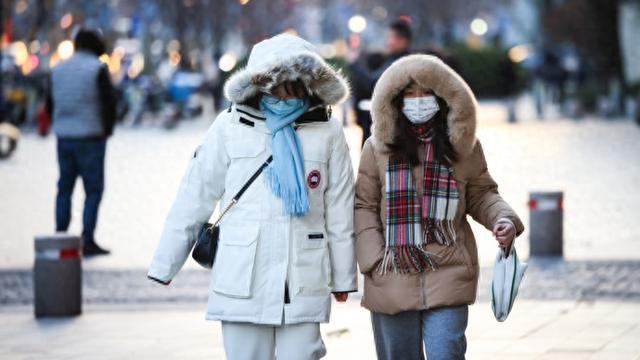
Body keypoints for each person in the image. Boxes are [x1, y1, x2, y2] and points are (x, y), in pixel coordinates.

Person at [148, 34, 357, 360]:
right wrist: (165, 264)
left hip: (302, 272)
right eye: (278, 85)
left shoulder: (327, 131)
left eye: (295, 85)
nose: (286, 95)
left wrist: (343, 276)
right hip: (242, 273)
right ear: (260, 83)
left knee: (303, 355)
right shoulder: (230, 125)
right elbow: (196, 195)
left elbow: (340, 207)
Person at [354, 54, 524, 360]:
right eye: (409, 93)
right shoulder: (375, 148)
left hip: (449, 267)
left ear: (442, 96)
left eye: (426, 92)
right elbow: (364, 205)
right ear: (394, 100)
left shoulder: (463, 145)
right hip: (391, 272)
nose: (418, 100)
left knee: (447, 352)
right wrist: (373, 259)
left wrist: (504, 218)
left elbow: (482, 192)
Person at [49, 28, 116, 256]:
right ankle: (87, 239)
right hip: (91, 136)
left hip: (64, 137)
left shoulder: (58, 69)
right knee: (93, 190)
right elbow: (108, 103)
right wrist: (107, 130)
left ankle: (60, 235)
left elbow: (50, 102)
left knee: (64, 188)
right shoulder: (97, 69)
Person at [350, 18, 413, 147]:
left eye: (391, 37)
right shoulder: (395, 60)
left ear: (402, 40)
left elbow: (374, 84)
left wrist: (354, 63)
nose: (387, 42)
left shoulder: (399, 63)